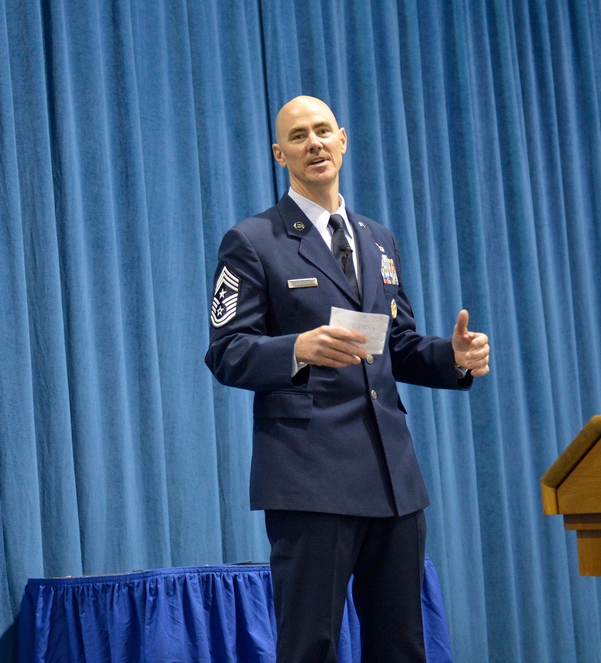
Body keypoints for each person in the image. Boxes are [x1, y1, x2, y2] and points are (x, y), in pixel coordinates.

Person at [205, 96, 490, 662]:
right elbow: (227, 352)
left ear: (343, 140)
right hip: (310, 477)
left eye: (322, 131)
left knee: (402, 645)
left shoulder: (378, 238)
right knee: (310, 645)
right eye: (298, 136)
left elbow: (397, 346)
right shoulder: (253, 241)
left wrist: (453, 357)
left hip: (392, 479)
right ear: (279, 153)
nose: (313, 143)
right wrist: (297, 349)